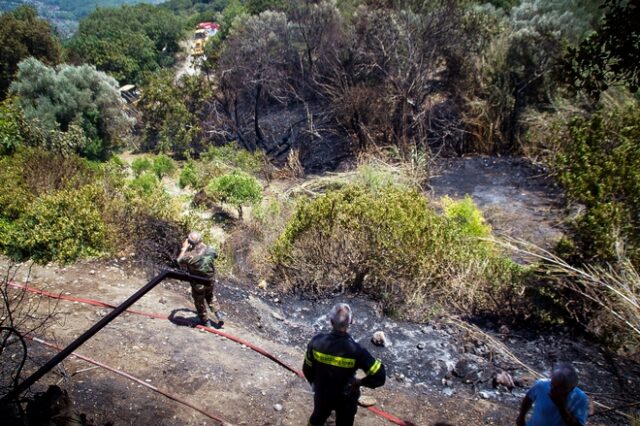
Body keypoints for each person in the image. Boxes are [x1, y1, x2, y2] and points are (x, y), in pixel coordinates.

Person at [303, 303, 386, 426]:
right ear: (351, 322)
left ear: (331, 321)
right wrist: (360, 382)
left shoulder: (316, 342)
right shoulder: (357, 350)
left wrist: (317, 384)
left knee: (317, 418)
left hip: (323, 395)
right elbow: (380, 376)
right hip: (346, 398)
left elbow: (307, 369)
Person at [177, 231, 225, 327]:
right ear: (201, 240)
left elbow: (179, 261)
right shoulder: (211, 250)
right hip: (210, 281)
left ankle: (205, 321)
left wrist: (184, 248)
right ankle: (219, 315)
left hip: (198, 283)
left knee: (199, 301)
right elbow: (215, 255)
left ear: (190, 243)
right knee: (210, 296)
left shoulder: (190, 256)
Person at [516, 363, 589, 426]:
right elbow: (528, 398)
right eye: (552, 384)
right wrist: (521, 416)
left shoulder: (580, 398)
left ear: (570, 388)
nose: (552, 390)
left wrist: (561, 407)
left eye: (558, 388)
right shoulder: (542, 385)